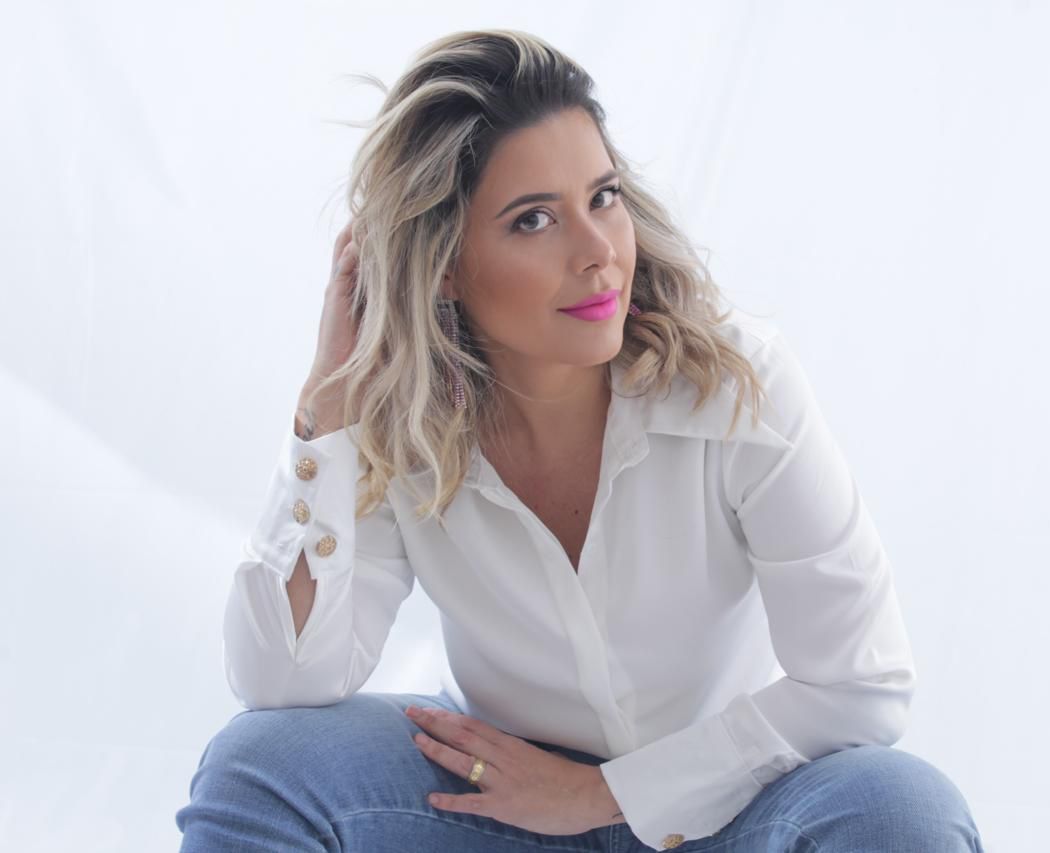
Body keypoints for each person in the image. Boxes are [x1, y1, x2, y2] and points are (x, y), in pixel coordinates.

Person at [175, 28, 984, 853]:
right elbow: (284, 679)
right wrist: (325, 411)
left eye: (603, 198)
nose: (599, 253)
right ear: (443, 265)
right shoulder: (402, 425)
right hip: (502, 802)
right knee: (259, 765)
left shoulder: (734, 384)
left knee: (902, 810)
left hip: (727, 806)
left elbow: (863, 683)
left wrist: (602, 795)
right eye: (533, 220)